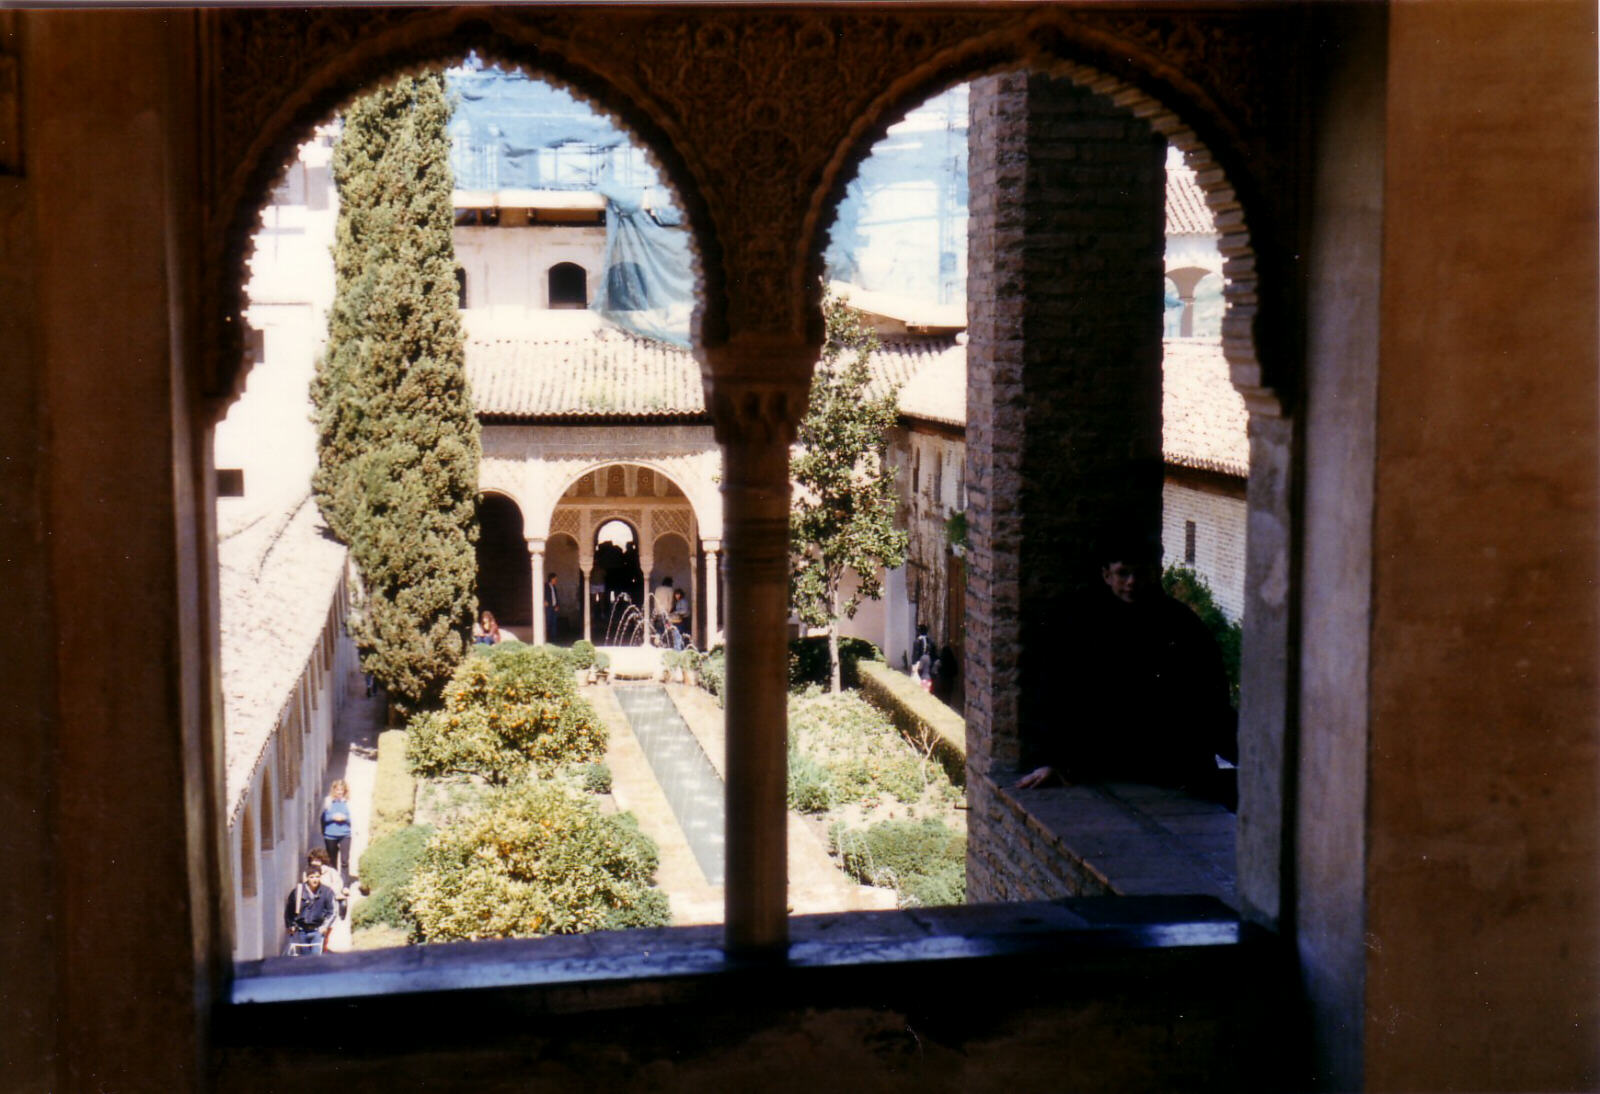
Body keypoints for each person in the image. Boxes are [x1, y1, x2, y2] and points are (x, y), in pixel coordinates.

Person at [1016, 542, 1236, 803]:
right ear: (1106, 575)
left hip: (1169, 767)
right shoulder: (1080, 625)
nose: (1132, 582)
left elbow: (1211, 699)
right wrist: (1049, 761)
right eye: (1123, 573)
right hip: (1104, 766)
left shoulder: (1182, 625)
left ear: (1156, 573)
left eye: (1141, 573)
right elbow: (1053, 695)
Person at [283, 866, 336, 956]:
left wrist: (325, 926)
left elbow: (332, 911)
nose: (314, 880)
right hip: (301, 931)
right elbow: (289, 911)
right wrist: (291, 925)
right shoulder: (297, 892)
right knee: (304, 959)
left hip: (318, 931)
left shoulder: (327, 892)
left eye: (317, 877)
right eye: (311, 877)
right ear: (307, 878)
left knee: (316, 958)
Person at [305, 847, 348, 946]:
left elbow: (338, 885)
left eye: (317, 860)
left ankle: (323, 947)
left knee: (326, 929)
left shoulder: (331, 872)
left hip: (328, 904)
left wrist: (327, 890)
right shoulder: (307, 873)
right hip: (314, 905)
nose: (315, 863)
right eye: (313, 861)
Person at [321, 779, 353, 879]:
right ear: (334, 790)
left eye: (342, 790)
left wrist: (344, 818)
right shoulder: (328, 801)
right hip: (330, 835)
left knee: (344, 860)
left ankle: (345, 884)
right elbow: (323, 817)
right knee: (331, 860)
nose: (339, 792)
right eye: (337, 789)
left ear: (345, 791)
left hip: (345, 835)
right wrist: (333, 817)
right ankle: (334, 882)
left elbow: (352, 817)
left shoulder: (348, 802)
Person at [912, 623, 934, 691]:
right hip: (928, 659)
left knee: (918, 677)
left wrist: (914, 664)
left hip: (919, 661)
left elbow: (915, 653)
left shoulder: (917, 641)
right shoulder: (930, 640)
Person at [544, 572, 560, 644]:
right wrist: (544, 600)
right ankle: (546, 638)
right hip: (548, 607)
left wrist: (557, 605)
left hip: (554, 607)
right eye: (555, 579)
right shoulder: (546, 586)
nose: (556, 580)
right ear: (551, 579)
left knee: (554, 622)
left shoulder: (554, 587)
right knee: (548, 622)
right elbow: (542, 594)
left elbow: (555, 597)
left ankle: (554, 638)